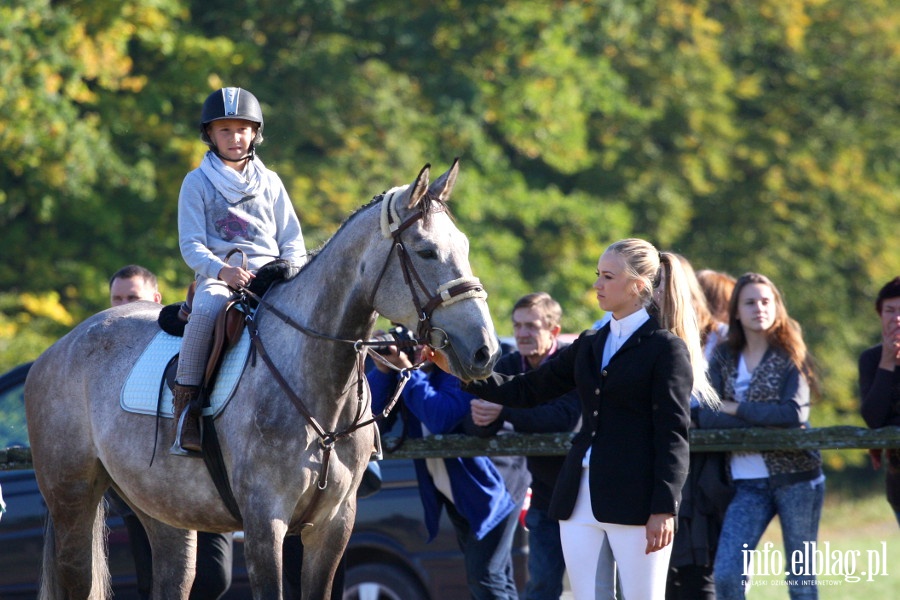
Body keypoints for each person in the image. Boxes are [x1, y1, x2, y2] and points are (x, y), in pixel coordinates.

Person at [441, 238, 718, 599]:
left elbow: (673, 434)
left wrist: (665, 508)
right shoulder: (590, 343)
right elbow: (527, 390)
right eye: (597, 275)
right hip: (577, 498)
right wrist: (459, 371)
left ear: (637, 286)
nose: (597, 285)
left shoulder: (666, 348)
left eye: (607, 277)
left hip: (637, 499)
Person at [173, 86, 307, 454]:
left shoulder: (273, 183)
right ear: (210, 135)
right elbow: (191, 246)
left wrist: (291, 270)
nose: (235, 137)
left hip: (273, 277)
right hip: (222, 278)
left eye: (243, 129)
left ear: (255, 133)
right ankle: (187, 410)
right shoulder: (196, 183)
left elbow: (293, 240)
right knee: (204, 313)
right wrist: (222, 272)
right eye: (225, 130)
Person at [108, 265, 234, 600]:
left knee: (214, 577)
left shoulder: (189, 333)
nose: (122, 306)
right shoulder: (105, 355)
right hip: (141, 477)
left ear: (156, 299)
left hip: (199, 476)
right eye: (117, 298)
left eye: (132, 297)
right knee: (152, 579)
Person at [368, 339, 529, 599]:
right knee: (493, 577)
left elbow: (440, 417)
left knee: (485, 577)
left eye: (425, 342)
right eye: (413, 342)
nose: (419, 348)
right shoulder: (409, 376)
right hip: (459, 491)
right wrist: (383, 371)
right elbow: (372, 422)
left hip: (495, 487)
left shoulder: (461, 371)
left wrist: (409, 370)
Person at [699, 272, 824, 599]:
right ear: (736, 310)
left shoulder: (789, 353)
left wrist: (735, 408)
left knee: (800, 581)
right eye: (750, 302)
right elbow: (706, 416)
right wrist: (763, 421)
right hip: (745, 482)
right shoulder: (724, 356)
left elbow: (794, 414)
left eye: (766, 301)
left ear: (777, 307)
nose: (759, 308)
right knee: (726, 576)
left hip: (798, 478)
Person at [464, 292, 591, 600]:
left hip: (588, 494)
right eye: (517, 325)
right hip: (546, 496)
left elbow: (563, 418)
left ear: (554, 331)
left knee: (595, 588)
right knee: (541, 586)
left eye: (532, 326)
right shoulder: (506, 363)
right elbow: (476, 426)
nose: (522, 334)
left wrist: (504, 411)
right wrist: (488, 418)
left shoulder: (570, 361)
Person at [665, 256, 733, 600]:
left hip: (708, 470)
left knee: (701, 569)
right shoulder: (651, 336)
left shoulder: (721, 340)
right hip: (667, 464)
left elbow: (723, 403)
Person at [858, 276, 900, 526]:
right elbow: (873, 418)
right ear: (880, 314)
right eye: (890, 310)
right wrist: (887, 362)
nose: (896, 318)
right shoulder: (871, 359)